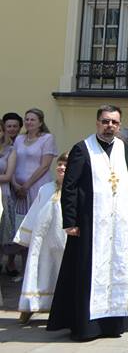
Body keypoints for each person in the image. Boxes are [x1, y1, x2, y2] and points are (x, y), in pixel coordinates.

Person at [48, 105, 128, 342]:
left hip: (117, 225)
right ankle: (85, 326)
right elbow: (70, 187)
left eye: (115, 122)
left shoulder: (122, 149)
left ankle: (111, 324)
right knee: (86, 272)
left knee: (115, 269)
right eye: (105, 122)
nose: (110, 126)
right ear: (97, 123)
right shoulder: (82, 149)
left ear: (120, 125)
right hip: (88, 224)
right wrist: (70, 221)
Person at [14, 151, 68, 325]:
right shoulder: (46, 189)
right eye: (60, 164)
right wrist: (26, 236)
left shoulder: (75, 190)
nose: (61, 167)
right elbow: (34, 213)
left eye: (66, 165)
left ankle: (64, 309)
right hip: (43, 243)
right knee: (39, 272)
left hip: (65, 240)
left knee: (64, 274)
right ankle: (30, 306)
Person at [12, 109, 58, 261]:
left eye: (32, 119)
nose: (28, 122)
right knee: (18, 225)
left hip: (37, 187)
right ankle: (16, 263)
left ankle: (33, 264)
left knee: (35, 225)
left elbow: (45, 166)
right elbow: (11, 162)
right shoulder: (19, 139)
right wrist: (15, 184)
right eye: (26, 119)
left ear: (40, 122)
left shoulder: (47, 138)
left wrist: (26, 185)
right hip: (17, 188)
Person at [0, 112, 21, 275]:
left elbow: (7, 176)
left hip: (3, 195)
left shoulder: (10, 150)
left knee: (4, 235)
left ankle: (9, 264)